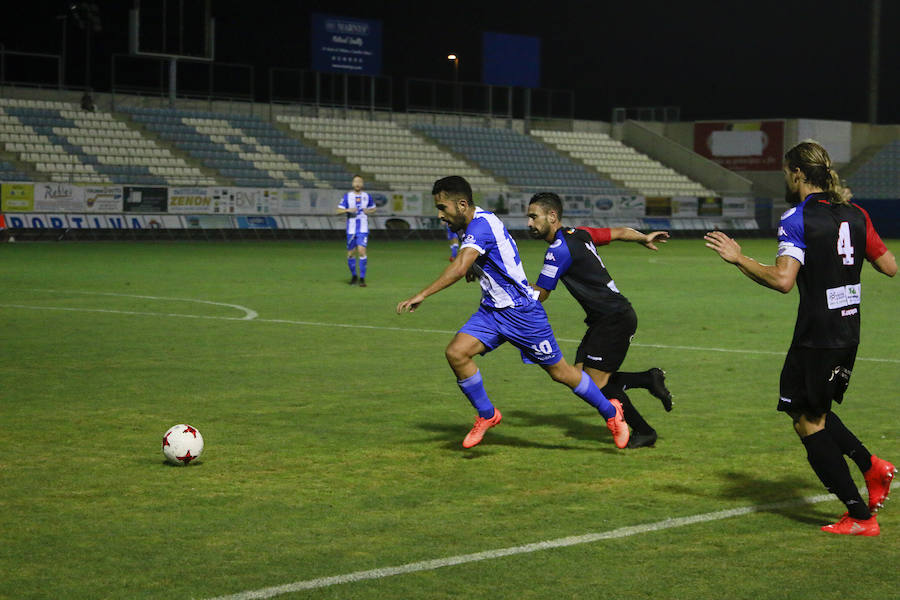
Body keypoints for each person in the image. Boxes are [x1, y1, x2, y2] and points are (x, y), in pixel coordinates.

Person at [704, 140, 897, 536]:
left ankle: (860, 515)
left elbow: (782, 280)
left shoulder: (797, 217)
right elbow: (890, 267)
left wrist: (738, 257)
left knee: (808, 423)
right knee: (811, 412)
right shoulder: (856, 213)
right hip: (848, 331)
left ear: (796, 173)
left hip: (817, 335)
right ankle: (872, 466)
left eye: (785, 172)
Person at [397, 176, 629, 449]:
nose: (439, 215)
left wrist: (423, 293)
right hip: (492, 311)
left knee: (561, 373)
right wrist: (477, 269)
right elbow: (483, 259)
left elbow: (460, 266)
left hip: (522, 313)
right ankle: (487, 414)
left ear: (462, 205)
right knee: (456, 353)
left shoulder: (480, 226)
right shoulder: (469, 222)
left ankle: (612, 413)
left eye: (442, 208)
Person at [526, 193, 672, 449]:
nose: (529, 223)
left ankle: (645, 431)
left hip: (613, 318)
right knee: (581, 378)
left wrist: (509, 286)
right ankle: (648, 378)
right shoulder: (578, 233)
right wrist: (643, 237)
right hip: (604, 319)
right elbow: (617, 232)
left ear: (552, 216)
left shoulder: (558, 250)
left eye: (533, 217)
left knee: (593, 383)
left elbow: (540, 295)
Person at [337, 175, 375, 286]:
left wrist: (368, 211)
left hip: (363, 229)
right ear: (352, 184)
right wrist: (348, 210)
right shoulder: (347, 196)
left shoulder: (367, 196)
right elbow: (338, 210)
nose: (357, 183)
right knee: (350, 254)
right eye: (355, 181)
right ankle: (354, 276)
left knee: (362, 251)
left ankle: (362, 278)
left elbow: (373, 208)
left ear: (362, 184)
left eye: (359, 181)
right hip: (351, 229)